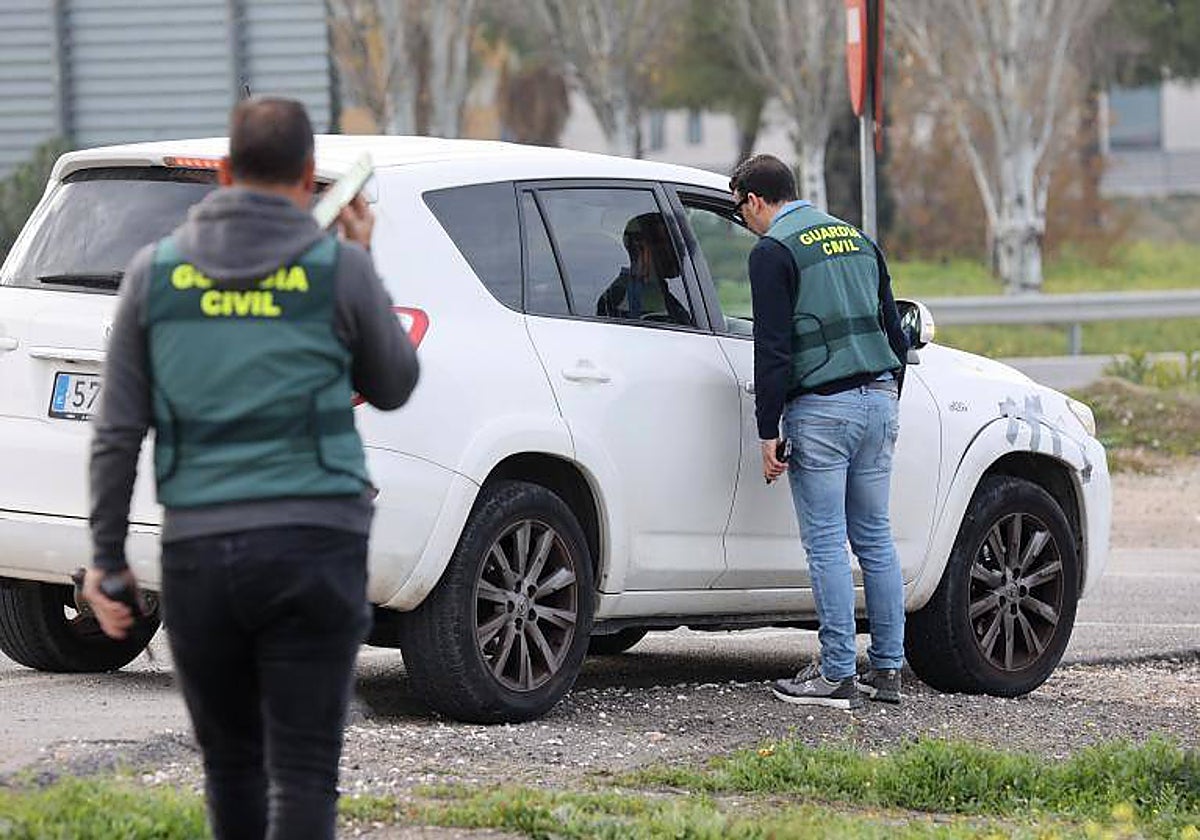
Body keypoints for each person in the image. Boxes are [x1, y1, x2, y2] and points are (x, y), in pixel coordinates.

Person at [82, 97, 419, 839]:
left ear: (227, 172)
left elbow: (116, 431)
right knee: (302, 773)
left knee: (231, 768)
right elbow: (395, 386)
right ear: (309, 178)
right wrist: (362, 259)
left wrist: (106, 562)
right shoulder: (337, 267)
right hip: (315, 546)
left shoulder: (155, 273)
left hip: (204, 552)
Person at [730, 154, 908, 710]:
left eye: (741, 210)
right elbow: (894, 331)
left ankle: (835, 674)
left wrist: (767, 430)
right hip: (879, 399)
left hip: (822, 409)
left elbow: (773, 348)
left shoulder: (773, 252)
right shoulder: (857, 240)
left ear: (755, 200)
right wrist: (885, 394)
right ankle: (887, 670)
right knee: (875, 538)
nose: (745, 221)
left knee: (827, 543)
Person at [596, 213, 693, 326]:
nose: (682, 253)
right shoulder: (620, 300)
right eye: (672, 243)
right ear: (640, 247)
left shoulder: (665, 295)